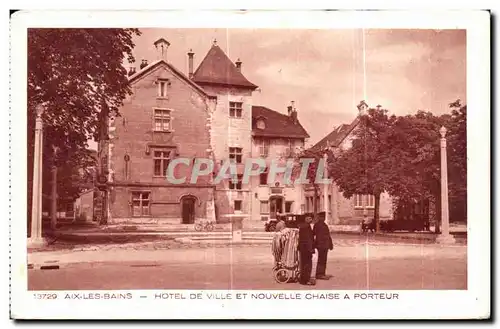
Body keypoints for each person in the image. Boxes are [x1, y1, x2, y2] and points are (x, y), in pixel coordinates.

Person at [313, 212, 333, 280]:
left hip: (324, 245)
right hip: (321, 245)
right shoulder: (318, 225)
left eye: (324, 217)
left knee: (323, 259)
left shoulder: (323, 225)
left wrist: (330, 244)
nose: (323, 218)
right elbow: (314, 235)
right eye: (322, 217)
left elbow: (328, 236)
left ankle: (322, 273)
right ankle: (319, 274)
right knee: (322, 259)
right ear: (320, 217)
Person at [298, 214, 315, 285]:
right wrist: (310, 249)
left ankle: (303, 279)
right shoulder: (306, 227)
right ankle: (306, 280)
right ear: (306, 219)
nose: (311, 220)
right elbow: (308, 240)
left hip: (302, 248)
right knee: (307, 265)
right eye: (310, 218)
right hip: (307, 249)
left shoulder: (302, 226)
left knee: (303, 264)